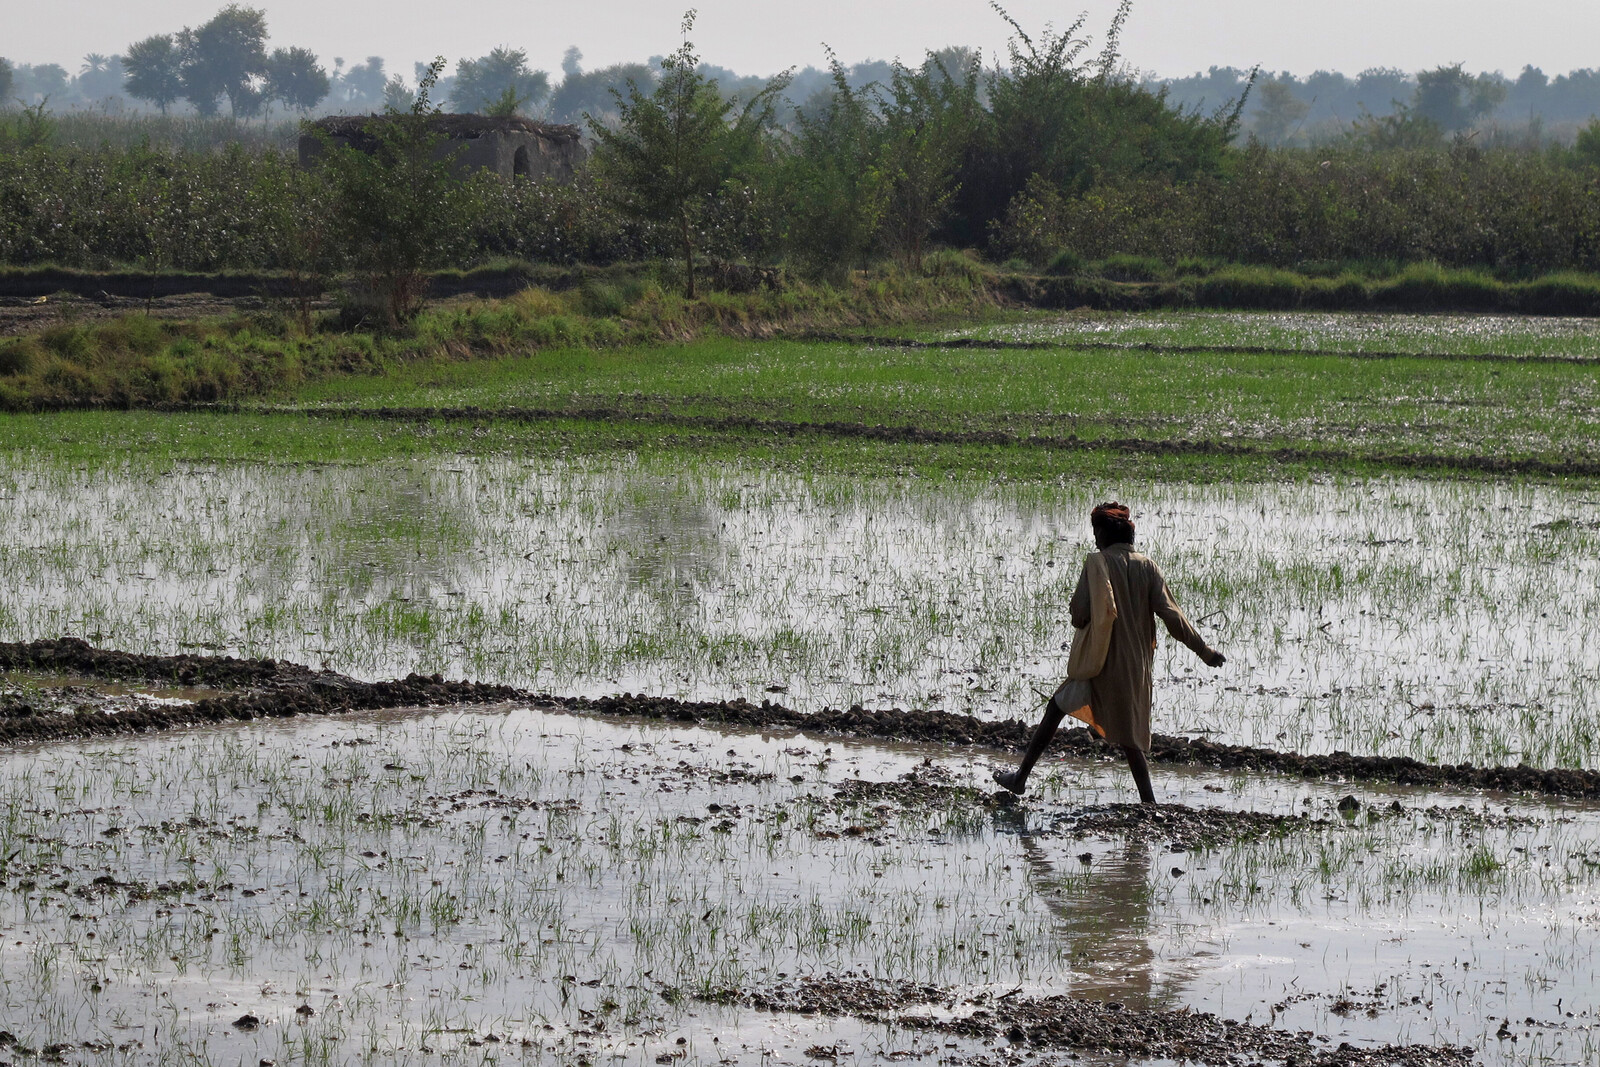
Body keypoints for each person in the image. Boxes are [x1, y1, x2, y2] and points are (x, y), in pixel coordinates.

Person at [993, 502, 1225, 802]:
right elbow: (1173, 617)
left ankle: (1021, 778)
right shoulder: (1148, 566)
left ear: (1102, 533)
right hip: (1134, 665)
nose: (1094, 539)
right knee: (1128, 734)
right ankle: (1148, 802)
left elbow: (1079, 614)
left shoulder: (1097, 563)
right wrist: (1204, 651)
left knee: (1056, 709)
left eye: (1095, 532)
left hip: (1100, 662)